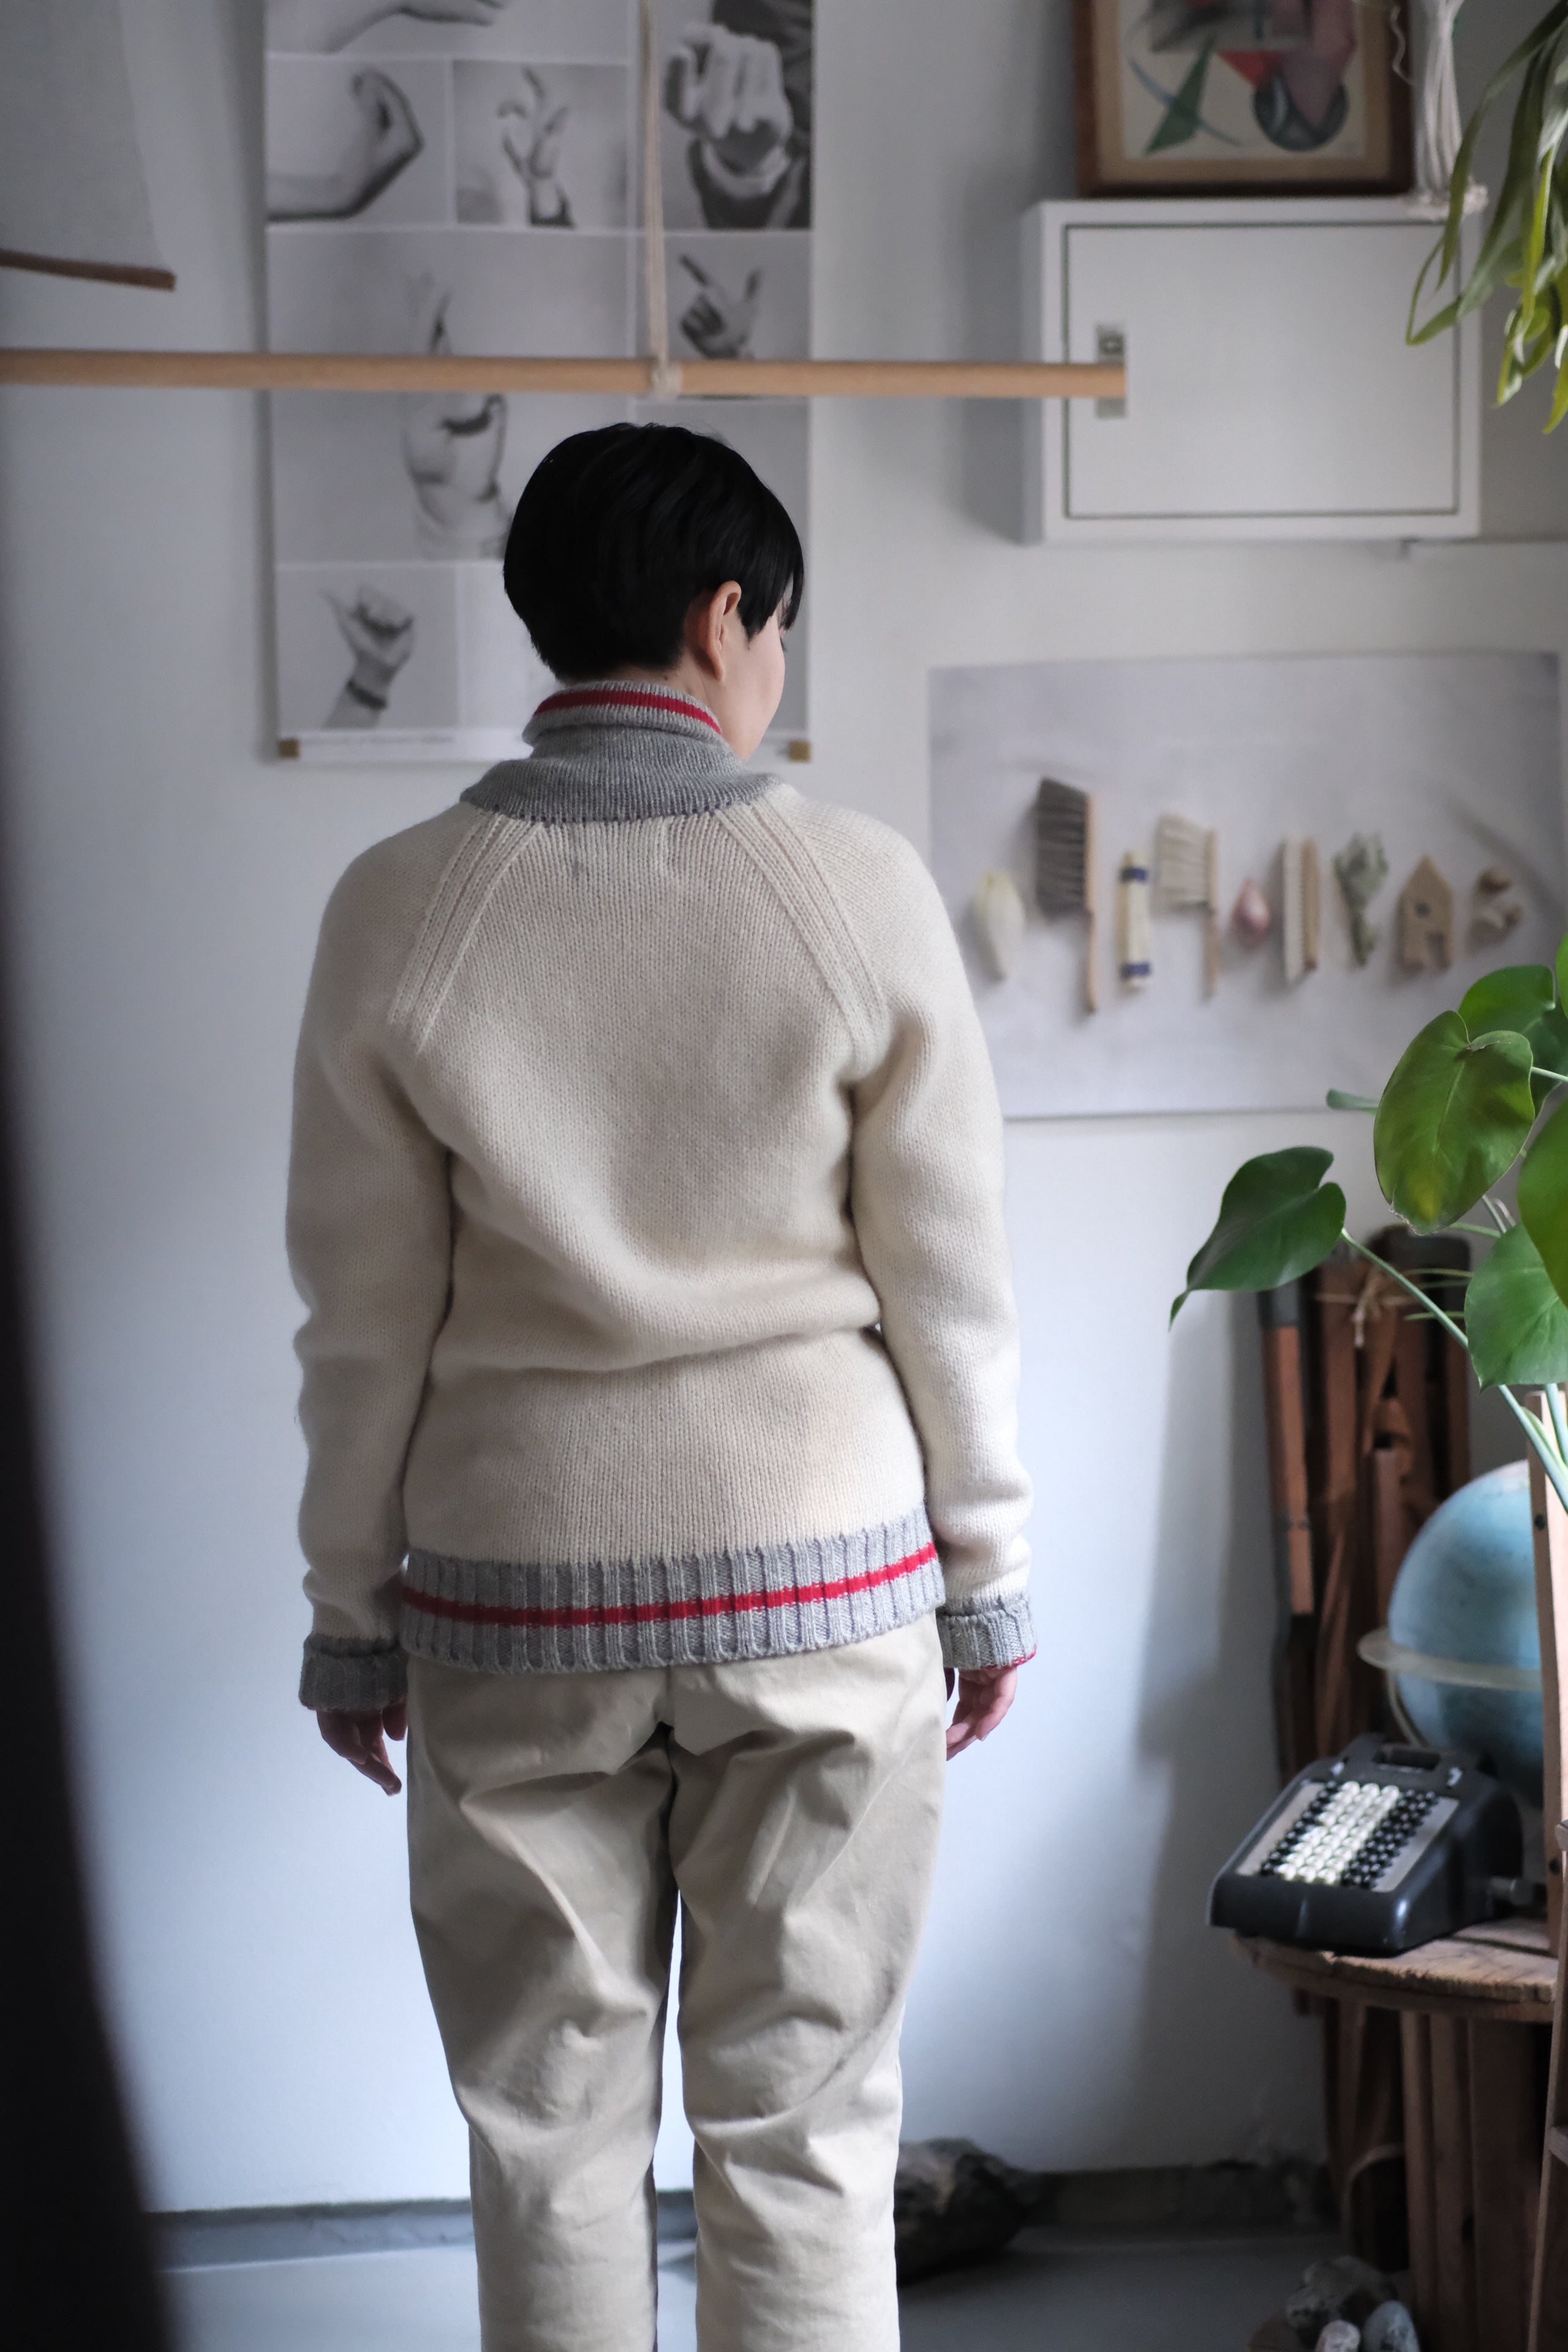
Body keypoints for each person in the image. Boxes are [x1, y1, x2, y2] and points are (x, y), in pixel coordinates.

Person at [289, 421, 1033, 2352]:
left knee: (545, 2136)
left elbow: (363, 1319)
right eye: (777, 632)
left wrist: (350, 1617)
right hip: (823, 1593)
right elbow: (951, 1281)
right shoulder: (855, 888)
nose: (775, 667)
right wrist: (987, 1576)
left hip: (512, 1601)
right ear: (723, 622)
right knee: (809, 2129)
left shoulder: (398, 906)